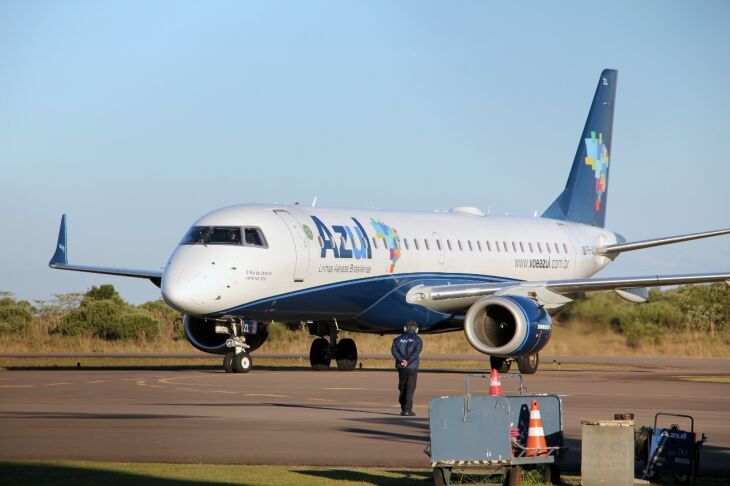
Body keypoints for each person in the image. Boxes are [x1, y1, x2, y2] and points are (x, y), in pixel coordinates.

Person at [391, 320, 423, 416]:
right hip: (412, 367)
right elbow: (416, 353)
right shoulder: (418, 340)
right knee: (410, 387)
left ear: (405, 328)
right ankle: (407, 410)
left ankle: (403, 407)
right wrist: (408, 361)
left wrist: (402, 360)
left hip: (401, 367)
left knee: (402, 387)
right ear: (416, 329)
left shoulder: (397, 340)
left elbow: (394, 351)